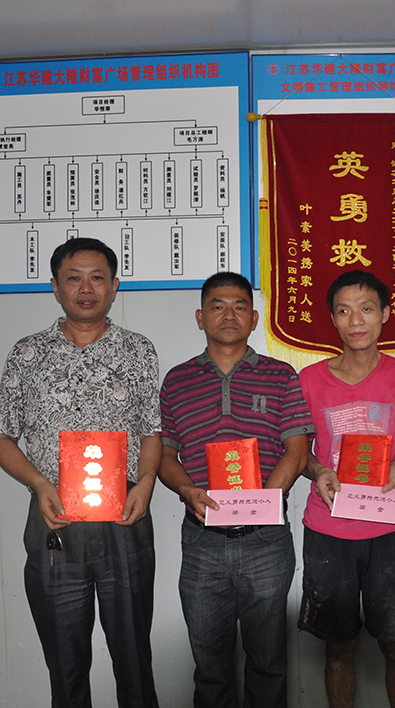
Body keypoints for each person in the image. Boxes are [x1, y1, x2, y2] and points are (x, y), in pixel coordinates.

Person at [0, 237, 161, 708]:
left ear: (114, 286)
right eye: (74, 278)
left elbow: (151, 431)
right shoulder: (27, 353)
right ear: (55, 287)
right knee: (65, 661)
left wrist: (146, 483)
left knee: (134, 656)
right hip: (55, 516)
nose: (87, 289)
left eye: (97, 278)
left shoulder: (138, 351)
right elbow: (1, 436)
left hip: (125, 516)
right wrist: (39, 483)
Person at [158, 271, 314, 708]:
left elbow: (297, 451)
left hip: (266, 541)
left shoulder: (281, 376)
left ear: (254, 318)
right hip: (202, 541)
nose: (229, 315)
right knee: (209, 666)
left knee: (268, 662)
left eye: (240, 306)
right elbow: (165, 456)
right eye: (217, 306)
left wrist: (262, 502)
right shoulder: (176, 381)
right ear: (200, 317)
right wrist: (188, 490)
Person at [297, 270, 395, 708]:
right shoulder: (308, 381)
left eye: (367, 309)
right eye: (344, 311)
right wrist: (319, 470)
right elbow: (298, 453)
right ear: (333, 319)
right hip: (328, 528)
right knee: (338, 649)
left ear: (385, 314)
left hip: (391, 530)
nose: (356, 321)